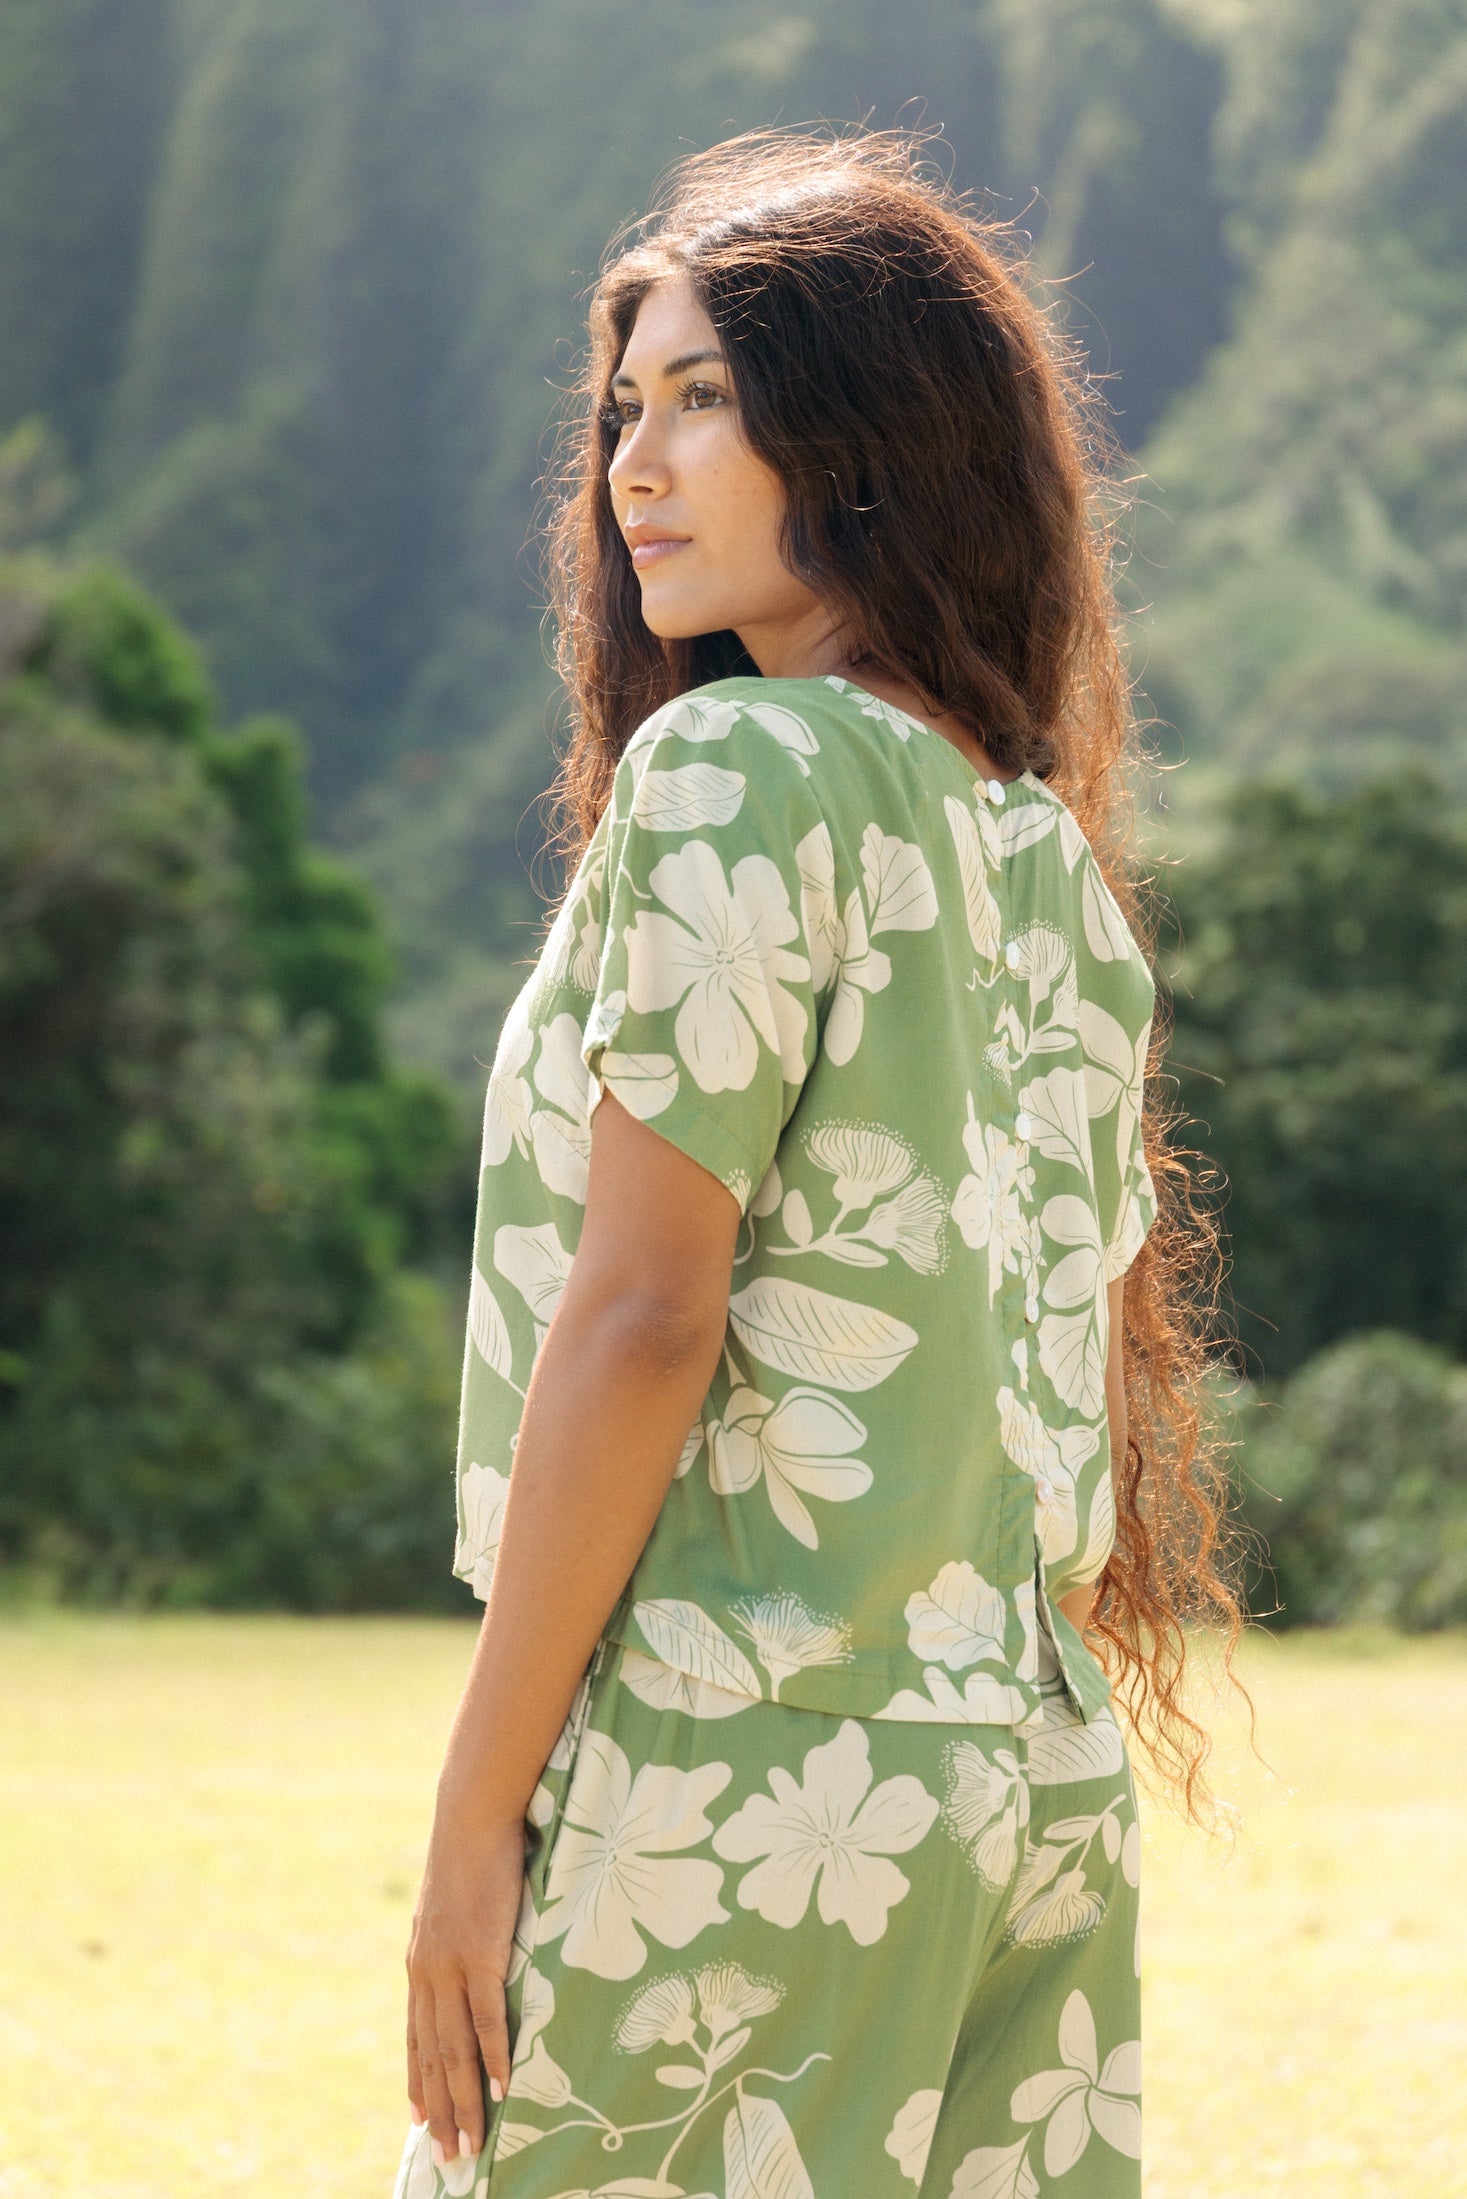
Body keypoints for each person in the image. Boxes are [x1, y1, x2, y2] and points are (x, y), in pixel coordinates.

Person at [391, 125, 1244, 2199]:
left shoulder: (732, 771)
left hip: (736, 1756)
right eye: (624, 409)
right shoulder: (1037, 852)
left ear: (861, 438)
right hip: (1009, 1779)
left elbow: (647, 1307)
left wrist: (471, 1816)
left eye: (706, 398)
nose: (633, 465)